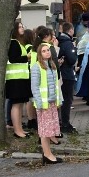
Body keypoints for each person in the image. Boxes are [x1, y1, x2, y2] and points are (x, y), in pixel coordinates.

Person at [32, 34, 64, 165]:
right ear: (40, 54)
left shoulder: (52, 66)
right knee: (45, 130)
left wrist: (58, 100)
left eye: (48, 50)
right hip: (43, 104)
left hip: (51, 102)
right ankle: (47, 154)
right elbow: (34, 87)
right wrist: (39, 102)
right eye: (44, 51)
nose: (47, 52)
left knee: (50, 129)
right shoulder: (37, 67)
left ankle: (48, 153)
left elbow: (56, 86)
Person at [6, 21, 32, 139]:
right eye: (20, 27)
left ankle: (20, 128)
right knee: (16, 105)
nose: (22, 29)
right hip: (15, 79)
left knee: (20, 104)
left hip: (21, 78)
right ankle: (17, 130)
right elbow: (14, 59)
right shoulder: (13, 43)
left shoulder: (18, 43)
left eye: (22, 26)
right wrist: (27, 57)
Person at [56, 22, 78, 133]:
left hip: (60, 74)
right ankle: (65, 123)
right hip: (67, 74)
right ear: (71, 30)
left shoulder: (58, 41)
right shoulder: (68, 43)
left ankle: (61, 121)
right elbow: (72, 59)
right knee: (67, 100)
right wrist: (75, 51)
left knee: (62, 99)